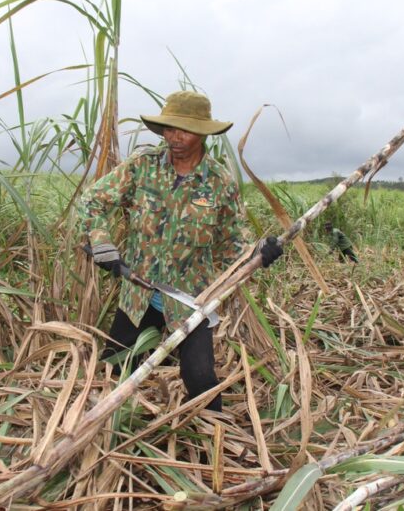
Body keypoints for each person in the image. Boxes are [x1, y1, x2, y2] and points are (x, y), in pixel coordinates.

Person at [79, 90, 283, 412]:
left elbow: (232, 243)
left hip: (190, 299)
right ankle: (112, 441)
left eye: (184, 130)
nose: (174, 137)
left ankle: (210, 445)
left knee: (200, 377)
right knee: (116, 368)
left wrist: (259, 252)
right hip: (138, 291)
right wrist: (102, 242)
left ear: (203, 133)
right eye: (169, 129)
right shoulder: (142, 167)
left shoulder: (219, 183)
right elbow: (93, 201)